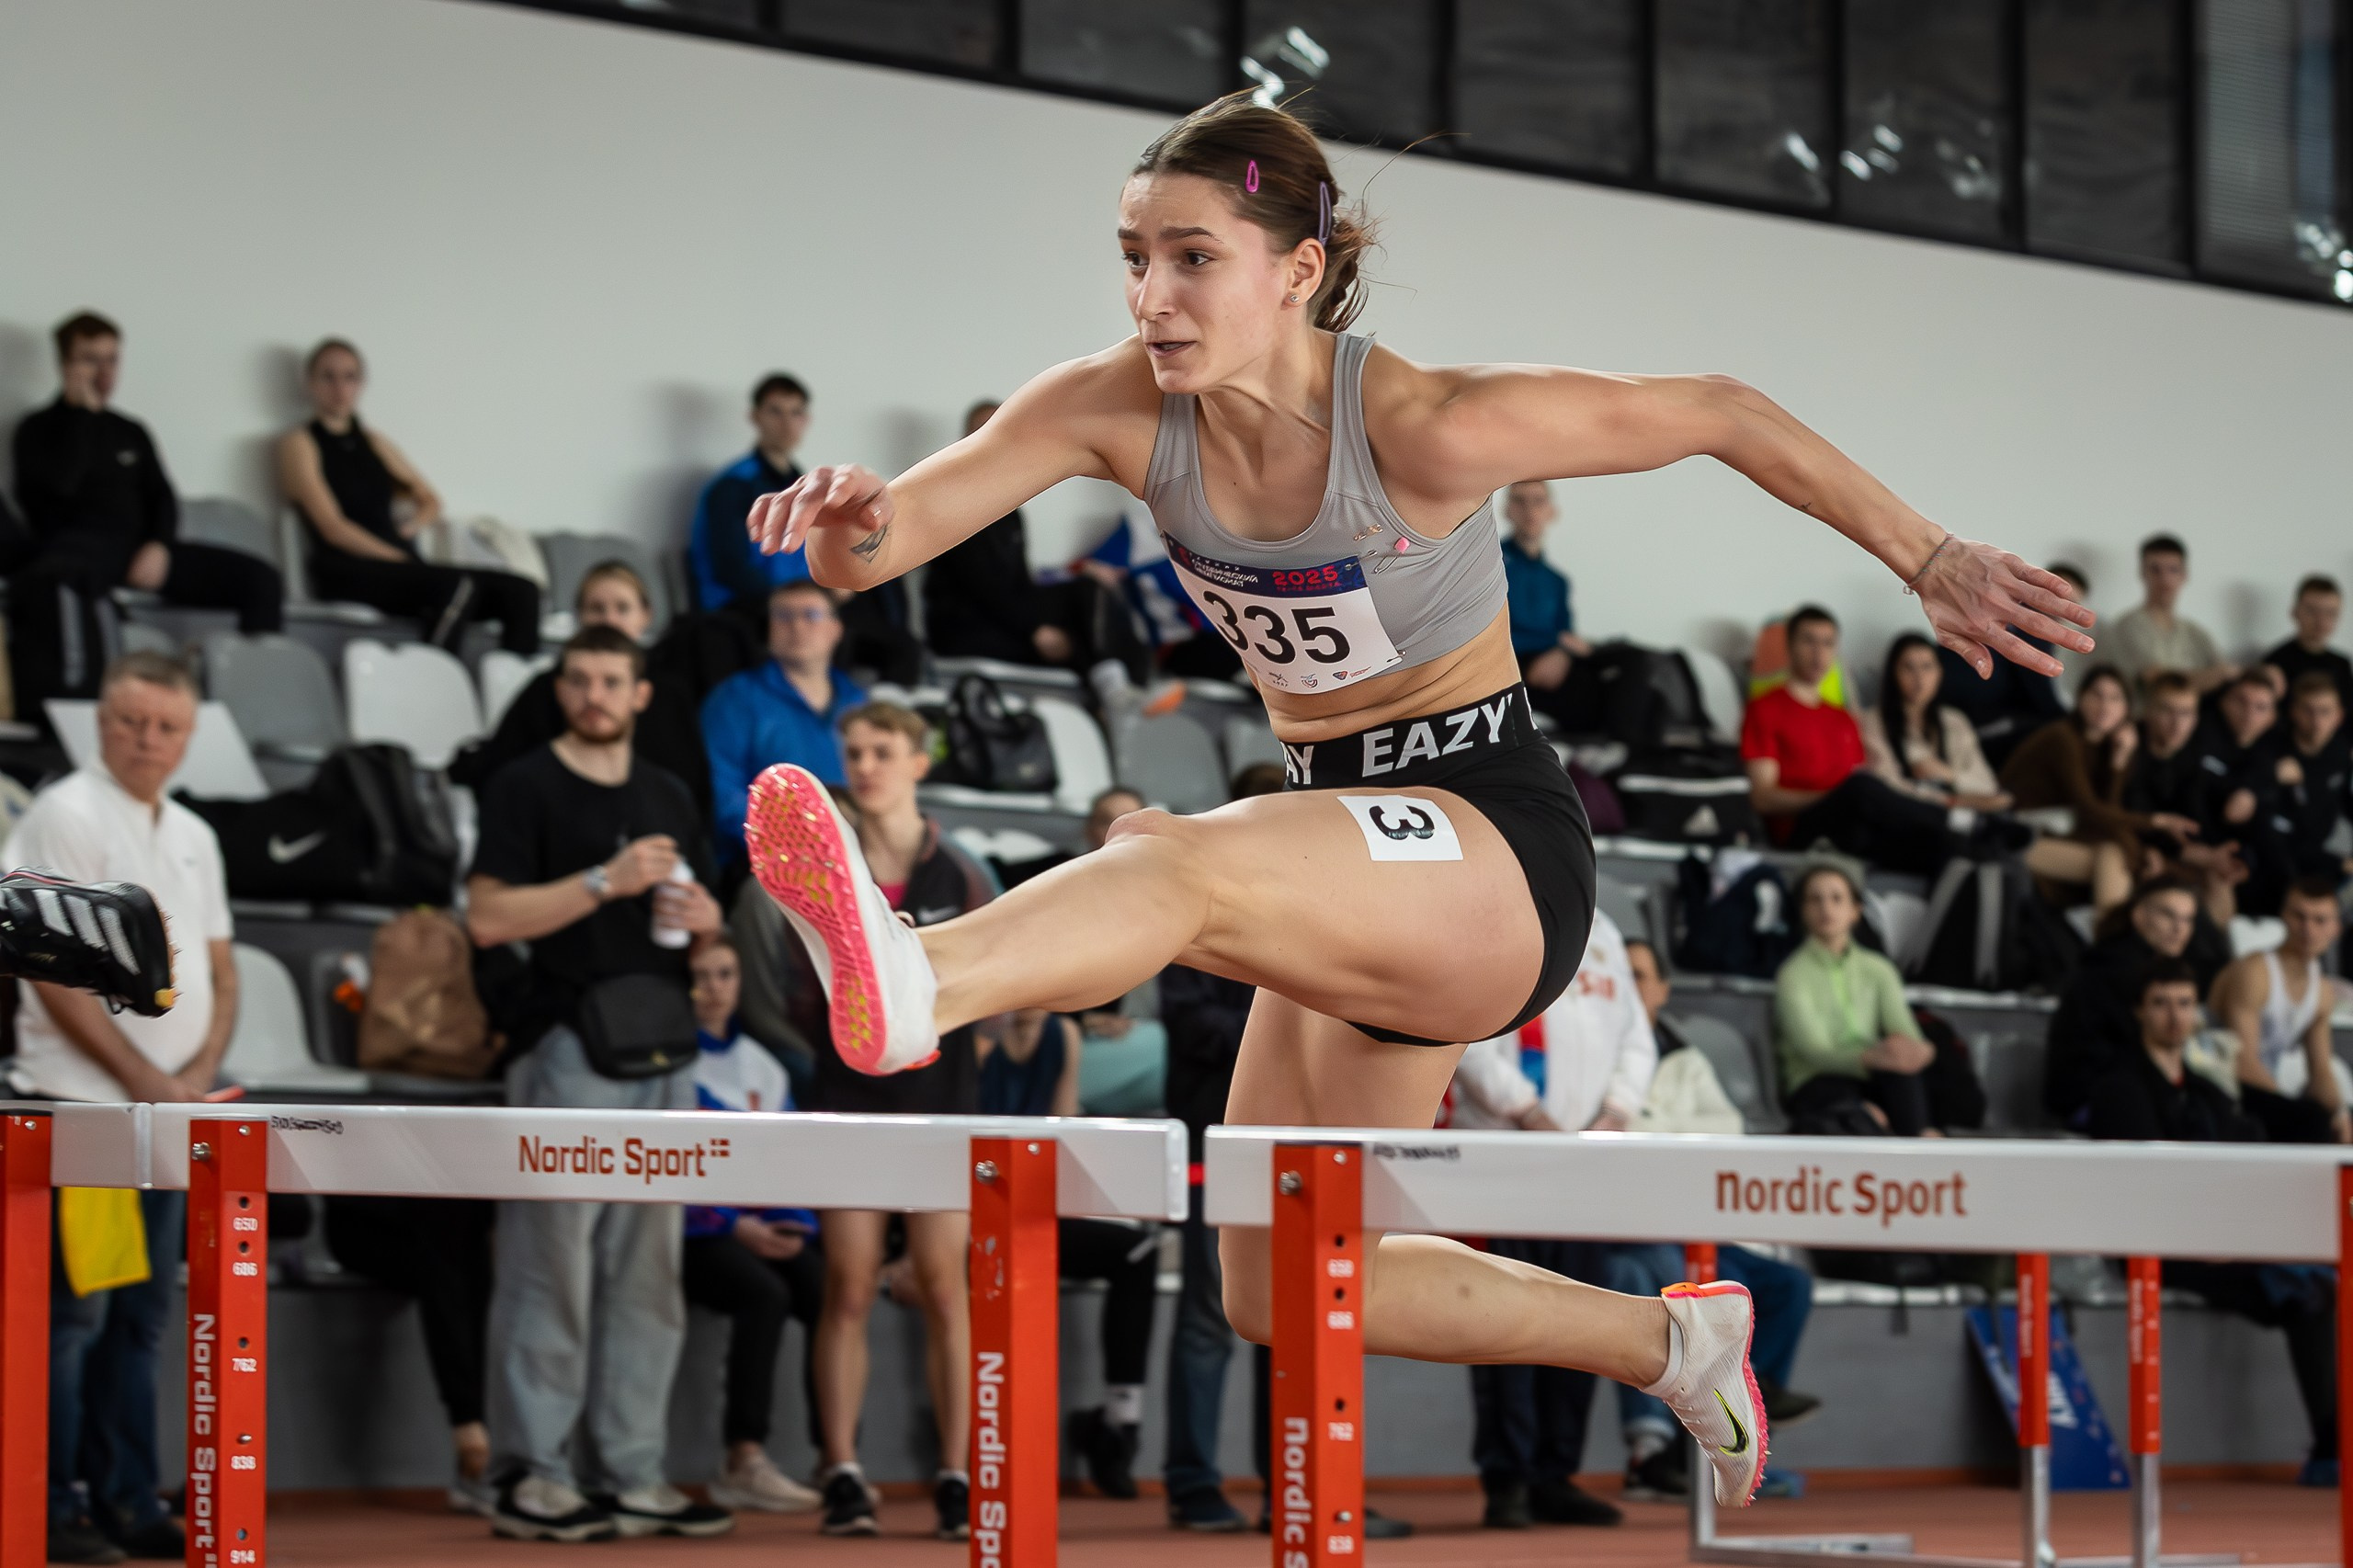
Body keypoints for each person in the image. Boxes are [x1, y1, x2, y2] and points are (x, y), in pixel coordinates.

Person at [735, 91, 2091, 1512]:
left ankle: (921, 971)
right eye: (1133, 255)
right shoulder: (1113, 406)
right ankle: (1676, 1338)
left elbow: (1719, 412)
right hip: (1340, 846)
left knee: (1174, 854)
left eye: (1192, 258)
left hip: (1491, 837)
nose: (1151, 295)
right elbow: (886, 542)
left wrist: (1927, 554)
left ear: (1297, 272)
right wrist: (849, 520)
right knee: (1274, 1272)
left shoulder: (1430, 424)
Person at [463, 624, 733, 1543]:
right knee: (551, 1267)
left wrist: (704, 923)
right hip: (566, 1045)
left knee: (648, 1272)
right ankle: (532, 1470)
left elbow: (700, 937)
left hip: (662, 1045)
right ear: (562, 686)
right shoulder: (523, 784)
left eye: (612, 680)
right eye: (579, 678)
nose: (595, 694)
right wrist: (600, 879)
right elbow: (489, 917)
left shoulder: (666, 791)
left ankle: (633, 1470)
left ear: (641, 692)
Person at [2, 652, 238, 1565]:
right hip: (83, 1106)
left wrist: (200, 1071)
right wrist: (151, 1080)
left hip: (168, 1109)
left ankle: (129, 1498)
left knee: (142, 1316)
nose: (147, 739)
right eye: (130, 721)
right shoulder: (66, 811)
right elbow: (48, 972)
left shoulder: (192, 831)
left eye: (165, 725)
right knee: (76, 1316)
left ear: (188, 734)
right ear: (100, 722)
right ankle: (55, 1503)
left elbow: (220, 967)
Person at [740, 702, 995, 1540]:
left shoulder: (961, 872)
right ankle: (843, 1470)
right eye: (852, 751)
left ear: (919, 762)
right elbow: (782, 992)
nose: (864, 765)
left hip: (942, 1101)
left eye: (882, 751)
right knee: (847, 1288)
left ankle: (957, 1475)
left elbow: (987, 1001)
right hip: (847, 1098)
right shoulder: (807, 861)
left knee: (945, 1291)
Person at [2086, 958, 2340, 1488]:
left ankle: (2335, 1442)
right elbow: (2146, 1185)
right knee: (2304, 1290)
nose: (2174, 1017)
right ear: (2139, 1011)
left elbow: (2245, 1156)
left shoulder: (2204, 1090)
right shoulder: (2121, 1087)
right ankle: (2332, 1451)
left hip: (2220, 1239)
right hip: (2157, 1245)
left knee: (2322, 1284)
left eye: (2184, 1003)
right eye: (2160, 1004)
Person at [1447, 908, 1654, 1529]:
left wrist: (1616, 1112)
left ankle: (1554, 1474)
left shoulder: (1607, 933)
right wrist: (1527, 1110)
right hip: (1506, 1158)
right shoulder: (1493, 911)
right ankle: (1507, 1477)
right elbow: (1464, 1028)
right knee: (1503, 1321)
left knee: (1578, 1319)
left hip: (1583, 1166)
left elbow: (1636, 1037)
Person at [1613, 937, 1821, 1504]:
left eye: (1641, 975)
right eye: (1621, 974)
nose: (1631, 986)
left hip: (1691, 1222)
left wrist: (1654, 1142)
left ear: (1662, 989)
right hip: (1628, 1228)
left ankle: (1755, 1402)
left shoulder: (1686, 1058)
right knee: (1657, 1287)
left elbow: (1723, 1137)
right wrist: (1667, 1144)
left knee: (1786, 1287)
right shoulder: (1594, 1053)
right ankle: (1653, 1457)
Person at [9, 314, 282, 710]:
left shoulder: (130, 431)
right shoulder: (37, 429)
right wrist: (82, 416)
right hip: (79, 551)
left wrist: (159, 545)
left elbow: (163, 499)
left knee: (261, 580)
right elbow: (52, 493)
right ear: (66, 365)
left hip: (140, 550)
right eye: (90, 360)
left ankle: (258, 703)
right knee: (62, 575)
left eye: (111, 360)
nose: (103, 373)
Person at [972, 1006, 1163, 1502]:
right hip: (973, 1215)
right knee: (1015, 1260)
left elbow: (1061, 1134)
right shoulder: (978, 1039)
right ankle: (995, 1436)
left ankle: (1120, 1421)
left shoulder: (1066, 1037)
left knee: (1137, 1249)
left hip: (1034, 1209)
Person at [677, 937, 826, 1513]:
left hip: (760, 1228)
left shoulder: (762, 1064)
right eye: (700, 976)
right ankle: (743, 1459)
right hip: (697, 1235)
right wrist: (736, 1226)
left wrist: (793, 1227)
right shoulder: (670, 1064)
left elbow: (786, 1161)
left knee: (826, 1291)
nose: (713, 988)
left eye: (725, 974)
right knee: (763, 1295)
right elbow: (673, 1170)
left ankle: (836, 1460)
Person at [277, 338, 540, 653]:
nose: (340, 388)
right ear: (311, 383)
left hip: (398, 566)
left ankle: (520, 694)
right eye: (328, 377)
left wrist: (411, 528)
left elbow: (431, 500)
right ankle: (436, 688)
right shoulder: (300, 443)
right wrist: (398, 557)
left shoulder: (374, 442)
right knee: (454, 588)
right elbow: (333, 528)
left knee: (523, 592)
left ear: (361, 384)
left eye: (350, 377)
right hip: (345, 568)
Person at [1742, 607, 2011, 875]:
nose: (1818, 652)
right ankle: (1964, 821)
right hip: (1801, 831)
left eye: (1827, 643)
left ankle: (1986, 847)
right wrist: (1834, 797)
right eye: (1808, 641)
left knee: (1948, 850)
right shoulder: (1765, 710)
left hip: (1856, 827)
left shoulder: (1843, 719)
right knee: (1862, 787)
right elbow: (1763, 798)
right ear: (1790, 645)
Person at [920, 400, 1154, 688]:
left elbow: (1020, 582)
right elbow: (984, 588)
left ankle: (1130, 686)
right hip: (967, 626)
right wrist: (1036, 629)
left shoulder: (1010, 509)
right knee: (1076, 641)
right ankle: (1117, 692)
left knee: (1089, 590)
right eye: (982, 433)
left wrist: (1073, 575)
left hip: (1005, 618)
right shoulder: (951, 499)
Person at [452, 561, 716, 804]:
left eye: (622, 608)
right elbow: (502, 774)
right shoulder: (544, 689)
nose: (609, 620)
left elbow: (690, 789)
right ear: (579, 616)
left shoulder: (670, 694)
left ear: (646, 615)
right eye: (596, 608)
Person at [2000, 665, 2198, 919]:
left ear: (2127, 708)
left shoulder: (2108, 746)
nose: (2105, 705)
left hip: (2061, 835)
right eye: (2097, 695)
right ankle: (2110, 941)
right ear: (2080, 698)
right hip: (2018, 835)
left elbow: (2107, 813)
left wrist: (2118, 762)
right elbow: (2090, 810)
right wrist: (2155, 823)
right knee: (2116, 858)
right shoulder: (2062, 738)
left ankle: (2109, 939)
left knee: (2114, 854)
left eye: (2115, 698)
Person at [701, 580, 870, 858]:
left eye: (811, 615)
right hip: (769, 862)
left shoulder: (857, 701)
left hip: (855, 855)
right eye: (783, 616)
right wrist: (790, 846)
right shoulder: (734, 699)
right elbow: (721, 793)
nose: (797, 626)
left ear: (835, 629)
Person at [1774, 862, 1937, 1137]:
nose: (1826, 908)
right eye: (1816, 899)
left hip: (1872, 1071)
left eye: (1837, 898)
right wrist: (1870, 1057)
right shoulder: (1793, 974)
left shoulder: (1879, 968)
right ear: (1803, 911)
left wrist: (1914, 1050)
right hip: (1816, 1079)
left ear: (1855, 911)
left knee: (1904, 1076)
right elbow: (1814, 1052)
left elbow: (1905, 1031)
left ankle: (1920, 1146)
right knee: (1858, 1111)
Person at [2042, 876, 2216, 1128]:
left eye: (2188, 919)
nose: (2179, 929)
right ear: (2139, 917)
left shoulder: (2150, 967)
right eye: (2168, 915)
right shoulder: (2113, 970)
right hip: (2090, 1096)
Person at [2210, 877, 2349, 1145]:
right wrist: (2292, 1106)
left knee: (2333, 1118)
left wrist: (2340, 1113)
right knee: (2310, 1120)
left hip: (2262, 1090)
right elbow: (2242, 1062)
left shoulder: (2321, 990)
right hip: (2223, 1084)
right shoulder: (2255, 973)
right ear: (2283, 916)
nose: (2308, 929)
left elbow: (2320, 1073)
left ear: (2336, 928)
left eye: (2319, 920)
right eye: (2300, 917)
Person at [2124, 670, 2246, 925]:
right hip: (2134, 847)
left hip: (2175, 852)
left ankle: (2217, 958)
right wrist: (2192, 853)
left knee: (2220, 877)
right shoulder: (2129, 746)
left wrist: (2219, 854)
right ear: (2147, 711)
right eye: (2167, 711)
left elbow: (2197, 815)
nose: (2177, 723)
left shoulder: (2194, 753)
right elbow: (2131, 814)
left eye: (2186, 713)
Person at [1933, 562, 2076, 769]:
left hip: (1975, 719)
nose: (2063, 610)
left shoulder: (2006, 620)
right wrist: (2077, 724)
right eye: (2057, 599)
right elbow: (2039, 693)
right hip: (1977, 724)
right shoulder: (2026, 629)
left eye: (2072, 604)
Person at [691, 373, 813, 613]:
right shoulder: (733, 486)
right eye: (775, 411)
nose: (787, 423)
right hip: (744, 609)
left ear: (806, 420)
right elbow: (731, 568)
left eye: (796, 412)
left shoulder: (805, 485)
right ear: (755, 417)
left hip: (797, 604)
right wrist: (793, 601)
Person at [2239, 673, 2353, 917]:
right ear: (2292, 711)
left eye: (2325, 712)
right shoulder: (2270, 751)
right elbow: (2270, 837)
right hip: (2282, 864)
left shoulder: (2340, 751)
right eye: (2308, 711)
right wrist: (2269, 776)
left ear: (2339, 716)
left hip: (2327, 849)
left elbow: (2343, 801)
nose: (2317, 721)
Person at [1859, 631, 2007, 810]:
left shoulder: (1954, 720)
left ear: (1939, 673)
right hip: (1909, 815)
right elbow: (1885, 787)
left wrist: (1948, 774)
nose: (1919, 678)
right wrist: (1950, 801)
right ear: (1893, 673)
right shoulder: (1873, 721)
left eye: (1927, 667)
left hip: (1962, 811)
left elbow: (1986, 784)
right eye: (1908, 667)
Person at [1500, 479, 1595, 729]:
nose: (1530, 511)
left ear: (1552, 512)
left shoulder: (1557, 581)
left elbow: (1568, 636)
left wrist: (1561, 651)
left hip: (1552, 663)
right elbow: (1487, 634)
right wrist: (1555, 642)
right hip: (1509, 666)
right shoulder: (1491, 567)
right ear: (1507, 510)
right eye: (1520, 501)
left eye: (1538, 501)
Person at [2104, 534, 2232, 701]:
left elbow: (2229, 675)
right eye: (2155, 570)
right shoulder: (2128, 626)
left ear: (2184, 575)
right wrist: (2217, 675)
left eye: (2173, 570)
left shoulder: (2195, 632)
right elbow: (2158, 683)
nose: (2165, 579)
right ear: (2143, 573)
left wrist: (2223, 674)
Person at [2267, 575, 2353, 710]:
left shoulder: (2342, 664)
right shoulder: (2276, 661)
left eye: (2330, 613)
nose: (2321, 621)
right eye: (2312, 611)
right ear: (2295, 612)